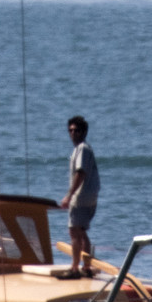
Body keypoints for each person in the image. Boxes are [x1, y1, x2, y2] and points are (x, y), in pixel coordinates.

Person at [60, 115, 99, 276]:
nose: (73, 133)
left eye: (76, 130)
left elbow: (80, 173)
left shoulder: (82, 149)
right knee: (81, 232)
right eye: (70, 130)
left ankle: (75, 267)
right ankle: (86, 266)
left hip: (81, 196)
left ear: (84, 132)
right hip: (90, 196)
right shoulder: (82, 149)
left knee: (74, 231)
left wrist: (69, 195)